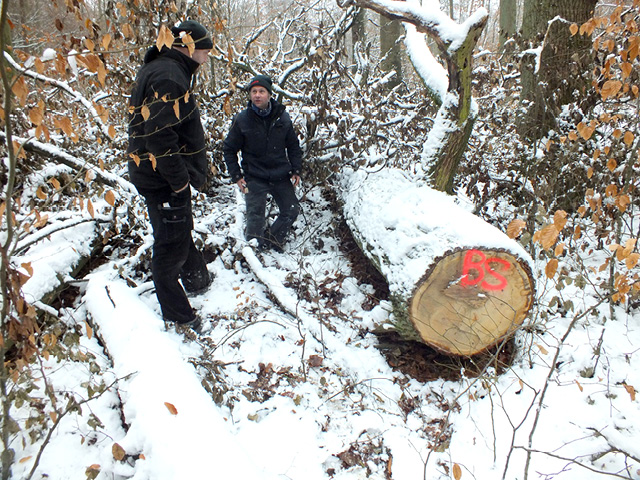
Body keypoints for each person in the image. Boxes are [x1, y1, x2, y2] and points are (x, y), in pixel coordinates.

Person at [126, 20, 213, 333]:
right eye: (205, 50)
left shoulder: (164, 69)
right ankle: (179, 316)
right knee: (169, 247)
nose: (206, 57)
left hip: (156, 175)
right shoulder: (169, 76)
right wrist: (179, 182)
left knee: (178, 230)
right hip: (163, 179)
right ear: (190, 48)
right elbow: (160, 139)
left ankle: (197, 279)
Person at [223, 74, 303, 252]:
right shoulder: (242, 119)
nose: (257, 95)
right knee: (255, 216)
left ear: (269, 94)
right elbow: (228, 149)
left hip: (280, 174)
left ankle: (271, 242)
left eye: (261, 91)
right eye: (253, 92)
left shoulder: (282, 117)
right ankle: (253, 252)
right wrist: (236, 175)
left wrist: (296, 170)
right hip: (254, 176)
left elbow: (293, 145)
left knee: (291, 210)